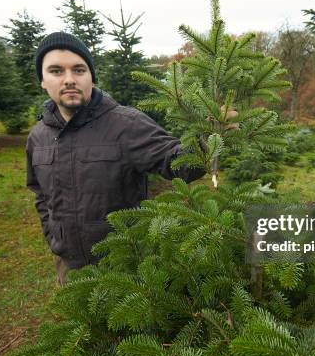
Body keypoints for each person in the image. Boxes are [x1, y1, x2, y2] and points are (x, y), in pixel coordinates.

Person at [26, 32, 205, 286]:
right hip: (69, 267)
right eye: (56, 71)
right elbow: (41, 195)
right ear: (43, 80)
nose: (69, 80)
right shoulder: (38, 137)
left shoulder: (125, 124)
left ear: (91, 76)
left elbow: (180, 164)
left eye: (79, 70)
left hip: (127, 267)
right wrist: (54, 237)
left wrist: (211, 134)